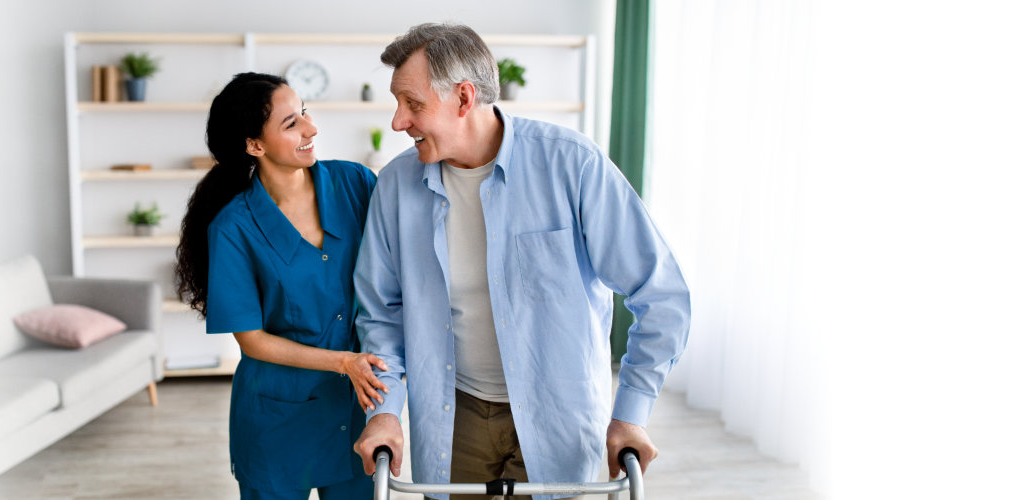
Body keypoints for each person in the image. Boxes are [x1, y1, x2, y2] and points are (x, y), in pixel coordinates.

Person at [350, 23, 692, 500]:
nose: (397, 122)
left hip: (558, 412)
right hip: (454, 413)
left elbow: (661, 294)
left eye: (413, 104)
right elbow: (381, 312)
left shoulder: (572, 165)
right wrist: (384, 410)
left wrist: (631, 411)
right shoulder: (395, 187)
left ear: (464, 98)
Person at [173, 72, 390, 500]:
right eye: (291, 124)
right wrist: (343, 362)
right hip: (275, 420)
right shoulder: (234, 227)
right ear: (255, 145)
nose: (311, 128)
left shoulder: (356, 184)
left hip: (354, 409)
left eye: (305, 112)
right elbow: (252, 340)